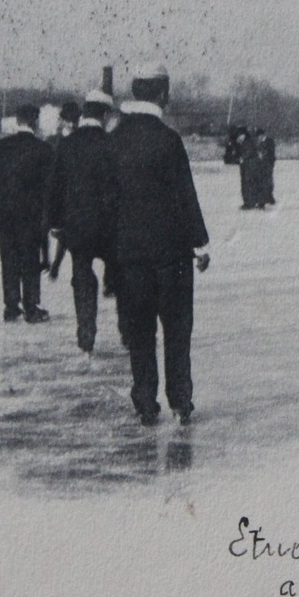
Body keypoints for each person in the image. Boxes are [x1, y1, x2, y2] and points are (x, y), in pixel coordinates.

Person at [102, 66, 211, 425]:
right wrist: (200, 243)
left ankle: (145, 400)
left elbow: (106, 203)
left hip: (129, 256)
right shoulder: (168, 140)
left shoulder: (114, 140)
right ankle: (180, 400)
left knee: (140, 331)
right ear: (162, 94)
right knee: (177, 329)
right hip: (172, 256)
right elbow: (185, 196)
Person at [47, 91, 114, 353]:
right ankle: (128, 329)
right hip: (108, 225)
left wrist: (55, 223)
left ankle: (86, 328)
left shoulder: (67, 144)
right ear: (105, 115)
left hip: (77, 225)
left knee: (82, 273)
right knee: (119, 272)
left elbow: (54, 186)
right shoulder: (112, 144)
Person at [0, 104, 55, 323]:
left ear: (17, 120)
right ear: (35, 121)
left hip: (4, 214)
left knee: (8, 259)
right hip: (30, 215)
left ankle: (11, 306)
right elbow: (49, 186)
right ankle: (31, 306)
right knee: (29, 259)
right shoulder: (43, 150)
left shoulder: (1, 147)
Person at [257, 128, 277, 206]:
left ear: (262, 135)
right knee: (264, 181)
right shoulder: (260, 142)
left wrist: (264, 154)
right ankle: (266, 197)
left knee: (268, 180)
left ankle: (270, 197)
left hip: (268, 163)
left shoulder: (269, 141)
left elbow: (271, 152)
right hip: (262, 164)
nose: (259, 138)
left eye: (259, 136)